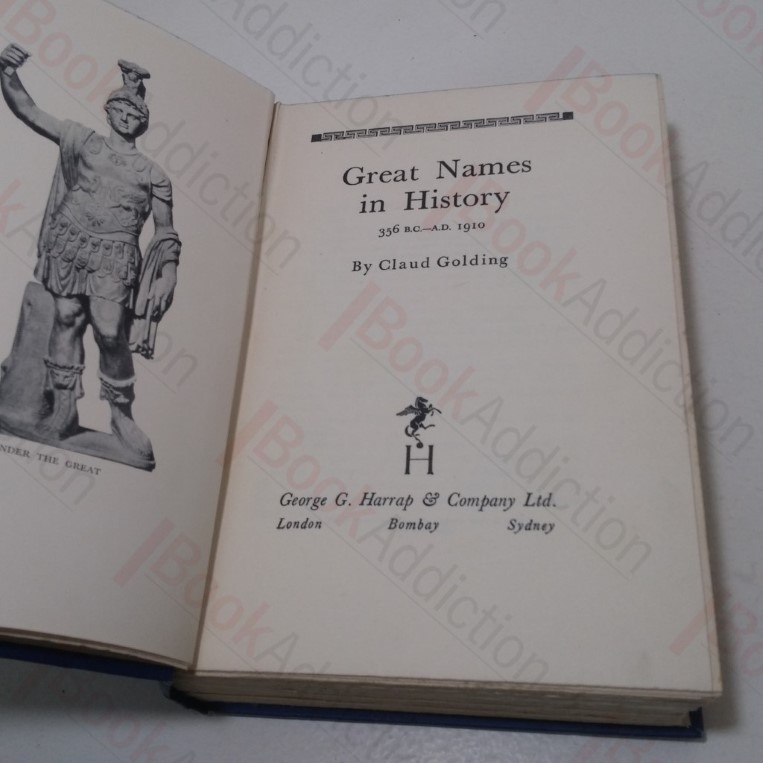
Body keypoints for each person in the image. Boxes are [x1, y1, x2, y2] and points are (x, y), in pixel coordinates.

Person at [0, 44, 180, 462]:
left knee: (110, 329)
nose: (128, 116)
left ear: (144, 122)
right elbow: (29, 111)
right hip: (70, 241)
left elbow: (166, 230)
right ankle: (63, 408)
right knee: (66, 317)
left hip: (115, 256)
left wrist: (169, 270)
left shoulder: (153, 174)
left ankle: (122, 417)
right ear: (109, 110)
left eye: (136, 113)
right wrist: (7, 74)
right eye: (122, 108)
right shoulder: (82, 140)